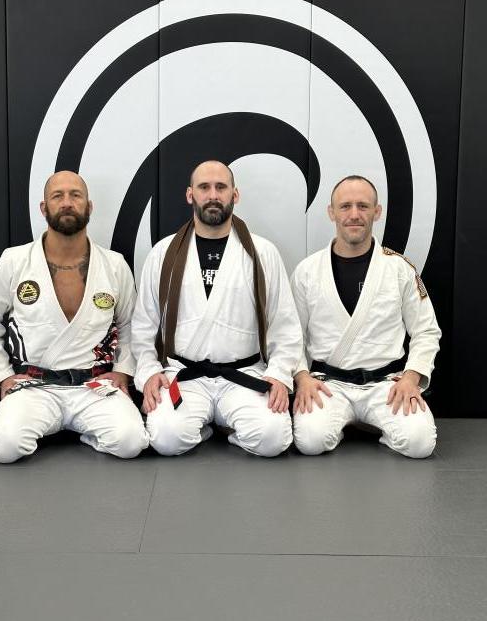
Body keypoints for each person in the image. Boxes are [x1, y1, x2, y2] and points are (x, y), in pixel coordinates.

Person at [0, 170, 148, 462]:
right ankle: (56, 425)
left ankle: (76, 429)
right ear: (44, 208)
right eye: (58, 196)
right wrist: (1, 375)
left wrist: (123, 370)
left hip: (93, 387)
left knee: (131, 442)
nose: (67, 202)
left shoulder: (114, 265)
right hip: (35, 385)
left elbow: (131, 324)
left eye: (75, 195)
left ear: (89, 207)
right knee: (4, 447)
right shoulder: (14, 261)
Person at [131, 160, 302, 456]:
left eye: (221, 187)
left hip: (245, 375)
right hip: (184, 375)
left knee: (273, 438)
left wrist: (278, 373)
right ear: (190, 195)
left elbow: (283, 325)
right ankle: (210, 428)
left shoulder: (263, 253)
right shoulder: (163, 253)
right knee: (166, 439)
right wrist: (148, 372)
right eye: (204, 187)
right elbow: (144, 325)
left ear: (235, 195)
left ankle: (221, 428)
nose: (213, 195)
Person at [291, 175, 441, 459]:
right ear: (331, 212)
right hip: (329, 383)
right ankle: (348, 422)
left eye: (363, 206)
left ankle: (369, 422)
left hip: (386, 384)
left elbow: (426, 330)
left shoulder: (399, 269)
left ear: (377, 211)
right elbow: (291, 335)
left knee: (420, 443)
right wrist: (302, 377)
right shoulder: (307, 271)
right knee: (310, 441)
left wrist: (411, 378)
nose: (354, 214)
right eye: (345, 206)